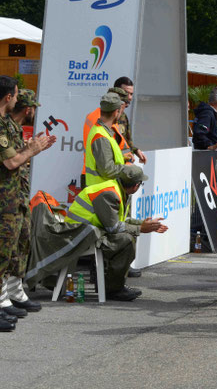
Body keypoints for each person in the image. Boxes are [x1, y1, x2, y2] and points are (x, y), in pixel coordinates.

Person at [0, 80, 56, 329]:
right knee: (3, 251)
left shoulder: (5, 124)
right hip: (5, 199)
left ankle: (11, 293)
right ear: (9, 97)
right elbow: (11, 163)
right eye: (16, 95)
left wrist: (33, 148)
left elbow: (15, 158)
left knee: (15, 248)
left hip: (13, 197)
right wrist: (31, 150)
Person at [65, 165, 166, 301]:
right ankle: (113, 289)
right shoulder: (110, 193)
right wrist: (141, 228)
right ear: (136, 186)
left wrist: (142, 224)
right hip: (79, 234)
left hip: (88, 231)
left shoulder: (118, 190)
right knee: (126, 241)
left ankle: (110, 285)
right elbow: (113, 227)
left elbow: (119, 220)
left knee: (126, 238)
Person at [84, 93, 128, 187]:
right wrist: (126, 168)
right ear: (116, 112)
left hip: (103, 190)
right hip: (103, 192)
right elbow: (107, 170)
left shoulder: (103, 131)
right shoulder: (101, 136)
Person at [113, 77, 146, 164]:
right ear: (116, 92)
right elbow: (106, 147)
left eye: (131, 94)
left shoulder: (123, 116)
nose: (129, 97)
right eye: (126, 93)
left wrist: (135, 150)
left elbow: (126, 142)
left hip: (122, 167)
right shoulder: (105, 115)